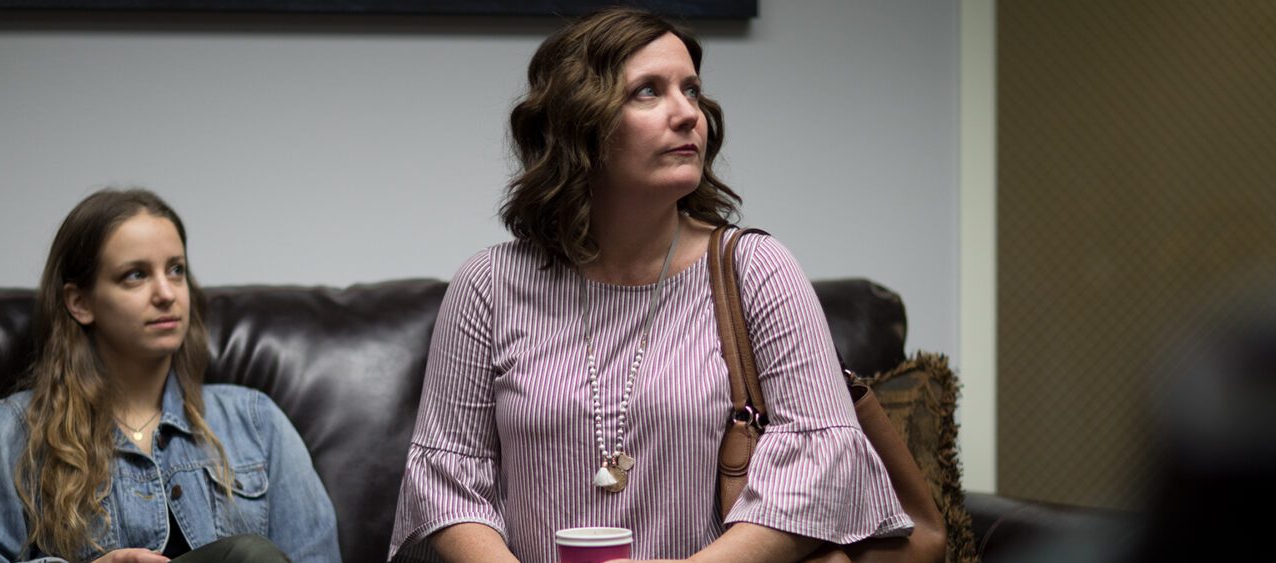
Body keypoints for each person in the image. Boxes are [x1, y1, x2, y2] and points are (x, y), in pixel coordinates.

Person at [390, 8, 913, 563]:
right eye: (648, 91)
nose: (688, 114)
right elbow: (446, 477)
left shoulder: (757, 270)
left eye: (692, 90)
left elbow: (823, 466)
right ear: (579, 122)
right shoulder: (488, 286)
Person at [0, 189, 341, 563]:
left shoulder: (256, 422)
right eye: (136, 275)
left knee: (250, 556)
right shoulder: (10, 431)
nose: (166, 293)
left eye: (176, 270)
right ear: (80, 303)